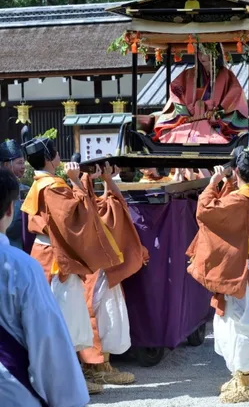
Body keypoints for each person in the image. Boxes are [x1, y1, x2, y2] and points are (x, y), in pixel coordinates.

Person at [20, 130, 124, 395]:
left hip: (45, 256)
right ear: (48, 158)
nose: (58, 156)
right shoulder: (53, 186)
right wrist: (76, 181)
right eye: (54, 152)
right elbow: (77, 218)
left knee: (58, 318)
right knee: (66, 320)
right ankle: (67, 381)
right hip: (58, 260)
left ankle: (70, 377)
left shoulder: (39, 184)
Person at [187, 138, 249, 404]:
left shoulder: (239, 201)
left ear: (236, 172)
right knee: (243, 321)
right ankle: (244, 376)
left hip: (241, 271)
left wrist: (213, 183)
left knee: (242, 324)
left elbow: (205, 210)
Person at [0, 168, 89, 407]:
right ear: (10, 209)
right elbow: (47, 342)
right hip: (10, 390)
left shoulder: (40, 185)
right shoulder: (20, 267)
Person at [78, 162, 149, 386]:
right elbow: (117, 203)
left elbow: (111, 201)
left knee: (100, 317)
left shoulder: (87, 204)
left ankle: (97, 366)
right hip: (99, 271)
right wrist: (107, 180)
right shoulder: (90, 207)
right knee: (102, 319)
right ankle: (99, 367)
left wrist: (99, 180)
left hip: (95, 270)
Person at [153, 43, 249, 144]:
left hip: (215, 123)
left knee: (217, 140)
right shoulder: (188, 75)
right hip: (189, 121)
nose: (202, 57)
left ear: (216, 53)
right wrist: (184, 114)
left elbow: (234, 96)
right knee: (175, 135)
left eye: (206, 52)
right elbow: (176, 94)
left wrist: (219, 114)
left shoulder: (227, 76)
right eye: (199, 52)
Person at [0, 139, 29, 249]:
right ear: (7, 164)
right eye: (19, 163)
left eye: (23, 163)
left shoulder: (26, 190)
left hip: (20, 248)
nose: (23, 167)